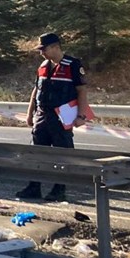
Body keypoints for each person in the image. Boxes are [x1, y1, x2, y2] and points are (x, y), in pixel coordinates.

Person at [17, 33, 91, 202]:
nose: (41, 52)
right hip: (42, 115)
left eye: (44, 49)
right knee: (37, 153)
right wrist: (30, 114)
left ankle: (59, 189)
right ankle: (34, 187)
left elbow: (82, 91)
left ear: (55, 47)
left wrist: (81, 115)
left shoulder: (73, 64)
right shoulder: (43, 66)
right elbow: (36, 91)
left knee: (61, 154)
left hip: (61, 116)